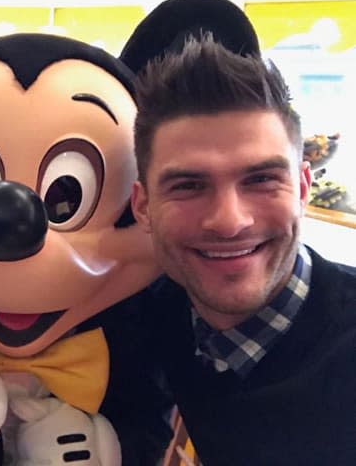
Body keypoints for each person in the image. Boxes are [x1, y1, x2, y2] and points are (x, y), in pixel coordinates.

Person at [130, 34, 356, 465]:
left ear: (304, 188)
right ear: (142, 206)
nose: (230, 221)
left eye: (261, 179)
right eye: (189, 186)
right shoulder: (151, 316)